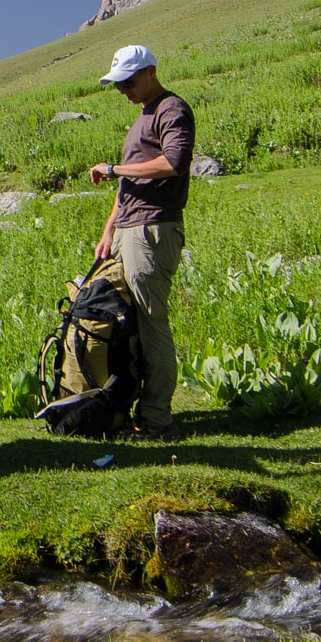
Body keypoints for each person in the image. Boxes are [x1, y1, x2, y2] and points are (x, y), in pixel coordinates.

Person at [87, 44, 195, 440]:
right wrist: (109, 229)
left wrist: (115, 168)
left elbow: (172, 163)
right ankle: (138, 407)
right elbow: (129, 184)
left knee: (152, 324)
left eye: (129, 82)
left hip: (153, 229)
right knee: (131, 324)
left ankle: (158, 421)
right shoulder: (143, 116)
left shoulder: (171, 110)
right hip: (130, 230)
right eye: (119, 86)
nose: (125, 91)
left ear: (151, 71)